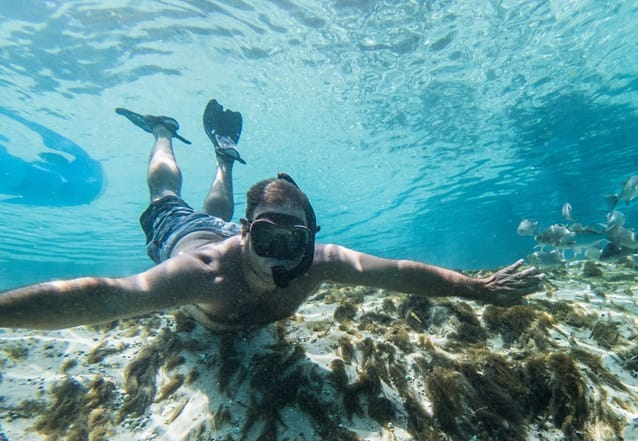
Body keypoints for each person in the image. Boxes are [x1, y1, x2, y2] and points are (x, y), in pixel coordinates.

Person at [0, 100, 545, 331]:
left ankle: (224, 157)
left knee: (215, 207)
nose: (280, 254)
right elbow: (111, 296)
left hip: (218, 228)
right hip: (187, 237)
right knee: (166, 192)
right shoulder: (205, 273)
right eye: (267, 235)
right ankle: (165, 132)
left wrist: (476, 289)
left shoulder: (319, 263)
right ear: (247, 233)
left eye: (294, 240)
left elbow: (398, 273)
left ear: (313, 239)